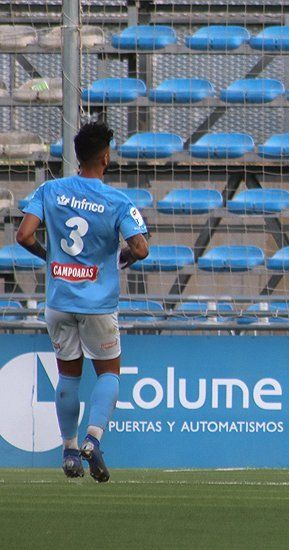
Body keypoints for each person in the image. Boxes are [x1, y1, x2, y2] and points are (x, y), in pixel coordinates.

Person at [15, 121, 149, 482]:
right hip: (98, 304)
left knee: (67, 376)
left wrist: (49, 257)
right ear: (105, 157)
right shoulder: (117, 201)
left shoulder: (50, 189)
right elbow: (141, 247)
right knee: (108, 372)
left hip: (59, 299)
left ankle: (69, 450)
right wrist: (119, 259)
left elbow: (24, 234)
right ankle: (93, 439)